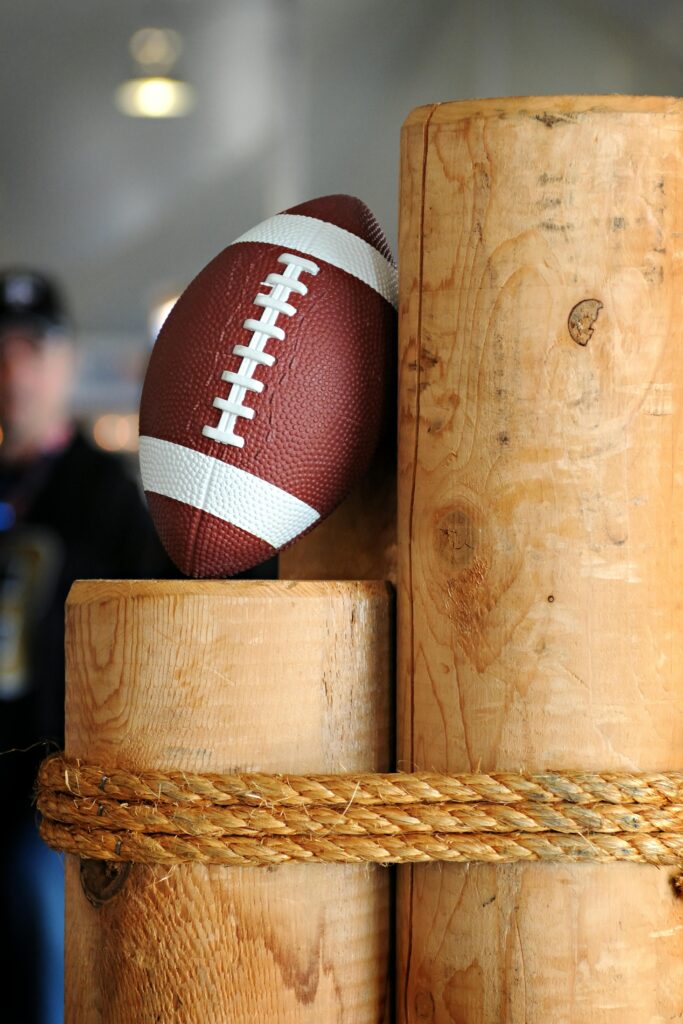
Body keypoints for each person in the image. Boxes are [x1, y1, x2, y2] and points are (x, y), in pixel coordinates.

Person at [0, 269, 176, 1024]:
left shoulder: (106, 494)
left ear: (66, 363)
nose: (13, 372)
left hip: (52, 791)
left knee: (38, 921)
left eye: (32, 349)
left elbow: (161, 627)